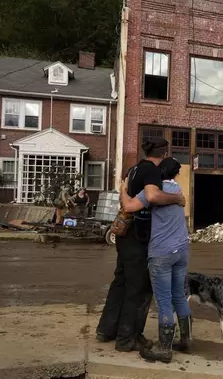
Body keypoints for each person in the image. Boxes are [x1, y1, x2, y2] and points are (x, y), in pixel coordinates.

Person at [96, 138, 186, 353]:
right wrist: (176, 198)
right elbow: (153, 196)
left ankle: (107, 329)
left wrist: (123, 191)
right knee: (139, 288)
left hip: (125, 235)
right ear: (164, 155)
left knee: (121, 282)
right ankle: (128, 339)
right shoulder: (152, 171)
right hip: (139, 237)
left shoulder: (134, 168)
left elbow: (125, 195)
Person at [120, 157, 191, 363]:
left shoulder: (154, 192)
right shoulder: (178, 191)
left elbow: (129, 207)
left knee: (163, 300)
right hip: (181, 250)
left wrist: (123, 188)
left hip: (161, 253)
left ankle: (164, 348)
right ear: (176, 174)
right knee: (179, 294)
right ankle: (186, 339)